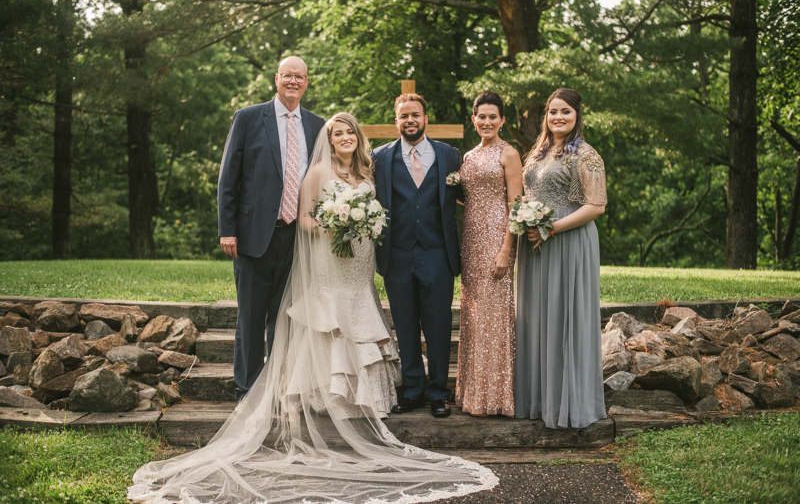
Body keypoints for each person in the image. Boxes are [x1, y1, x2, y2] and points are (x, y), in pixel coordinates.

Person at [129, 113, 498, 504]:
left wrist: (365, 225)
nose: (344, 138)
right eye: (337, 133)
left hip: (360, 261)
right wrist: (335, 226)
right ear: (330, 138)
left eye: (349, 133)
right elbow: (305, 217)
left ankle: (386, 390)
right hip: (330, 256)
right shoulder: (319, 172)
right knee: (332, 316)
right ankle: (327, 391)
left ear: (358, 137)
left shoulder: (370, 171)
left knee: (362, 310)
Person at [217, 56, 325, 400]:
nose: (294, 82)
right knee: (251, 314)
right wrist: (227, 229)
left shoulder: (316, 124)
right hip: (253, 233)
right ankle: (247, 385)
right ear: (276, 79)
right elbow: (228, 177)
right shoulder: (249, 118)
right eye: (288, 76)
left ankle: (278, 382)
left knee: (285, 315)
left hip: (298, 237)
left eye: (300, 77)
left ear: (307, 83)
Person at [515, 88, 608, 429]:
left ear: (577, 115)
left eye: (565, 112)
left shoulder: (586, 155)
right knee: (538, 317)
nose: (558, 117)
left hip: (566, 241)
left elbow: (596, 206)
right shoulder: (538, 152)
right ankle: (539, 401)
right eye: (553, 112)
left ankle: (567, 402)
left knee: (563, 317)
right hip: (534, 242)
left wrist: (550, 229)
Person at [372, 93, 462, 418]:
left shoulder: (450, 156)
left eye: (416, 115)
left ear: (425, 119)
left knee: (438, 325)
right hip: (396, 253)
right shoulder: (379, 158)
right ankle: (412, 390)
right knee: (405, 324)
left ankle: (439, 392)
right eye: (404, 116)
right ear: (396, 121)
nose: (410, 120)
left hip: (437, 252)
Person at [456, 91, 522, 417]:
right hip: (470, 240)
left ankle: (495, 397)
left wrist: (506, 250)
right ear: (473, 119)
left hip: (497, 239)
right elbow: (469, 197)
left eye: (492, 117)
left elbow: (517, 204)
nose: (486, 122)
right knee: (474, 315)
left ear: (502, 120)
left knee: (494, 318)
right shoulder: (468, 156)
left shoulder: (509, 154)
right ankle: (472, 395)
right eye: (481, 116)